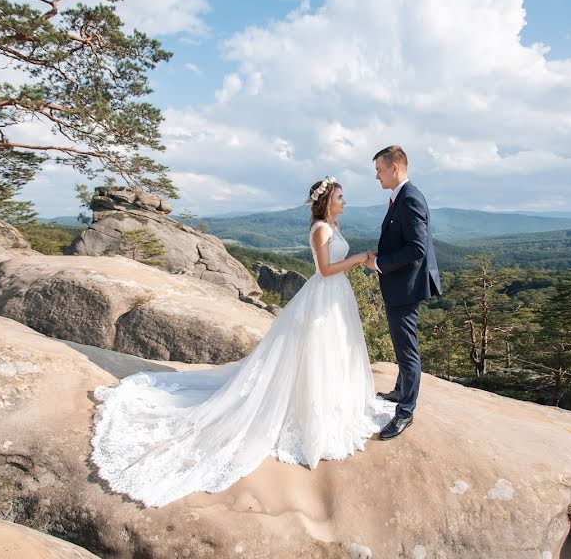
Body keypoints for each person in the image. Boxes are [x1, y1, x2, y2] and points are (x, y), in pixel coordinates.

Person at [91, 176, 394, 507]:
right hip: (324, 294)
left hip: (336, 298)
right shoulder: (321, 228)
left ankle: (332, 402)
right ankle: (311, 413)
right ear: (327, 201)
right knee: (317, 353)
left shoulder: (332, 224)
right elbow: (324, 270)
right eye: (340, 196)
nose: (344, 200)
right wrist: (361, 258)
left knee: (331, 353)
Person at [364, 145, 442, 440]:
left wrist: (380, 264)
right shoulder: (401, 197)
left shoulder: (410, 198)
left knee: (407, 351)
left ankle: (406, 412)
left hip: (406, 288)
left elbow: (417, 249)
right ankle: (400, 391)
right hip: (400, 285)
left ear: (394, 168)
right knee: (400, 344)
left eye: (379, 170)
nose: (377, 176)